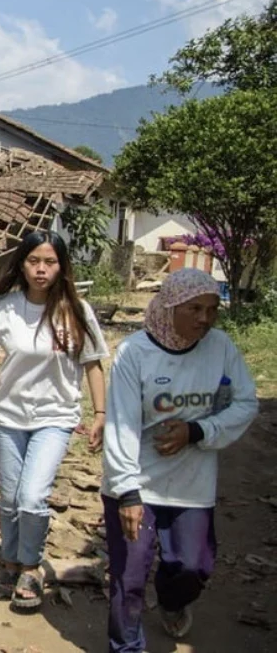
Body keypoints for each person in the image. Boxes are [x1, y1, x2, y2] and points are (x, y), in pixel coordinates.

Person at [102, 268, 258, 652]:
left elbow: (246, 402)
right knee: (130, 575)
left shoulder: (220, 348)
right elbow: (121, 423)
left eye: (211, 309)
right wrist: (127, 493)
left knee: (193, 567)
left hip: (192, 484)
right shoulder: (134, 353)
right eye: (194, 309)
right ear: (169, 306)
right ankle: (126, 647)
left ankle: (172, 602)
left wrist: (197, 432)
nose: (204, 319)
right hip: (137, 481)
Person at [0, 230, 108, 610]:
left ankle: (30, 567)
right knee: (8, 497)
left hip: (55, 417)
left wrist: (101, 413)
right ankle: (9, 560)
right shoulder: (6, 307)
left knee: (32, 496)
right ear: (22, 264)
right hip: (8, 415)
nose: (41, 270)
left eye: (50, 262)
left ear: (62, 266)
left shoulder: (76, 310)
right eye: (34, 261)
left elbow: (93, 364)